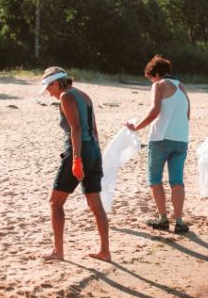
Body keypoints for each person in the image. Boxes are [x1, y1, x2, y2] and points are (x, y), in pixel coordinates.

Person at [39, 67, 110, 262]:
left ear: (56, 83)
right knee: (95, 203)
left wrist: (77, 159)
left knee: (55, 202)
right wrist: (94, 155)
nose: (48, 92)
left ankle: (58, 252)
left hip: (79, 151)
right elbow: (94, 130)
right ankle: (105, 251)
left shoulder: (66, 97)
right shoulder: (84, 95)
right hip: (93, 149)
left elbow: (76, 128)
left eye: (48, 87)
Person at [126, 55, 190, 234]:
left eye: (151, 78)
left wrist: (136, 127)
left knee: (155, 179)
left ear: (156, 74)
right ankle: (179, 221)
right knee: (177, 181)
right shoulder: (181, 86)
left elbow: (155, 111)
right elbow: (187, 113)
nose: (151, 81)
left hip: (160, 138)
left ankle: (162, 219)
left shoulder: (158, 85)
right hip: (181, 139)